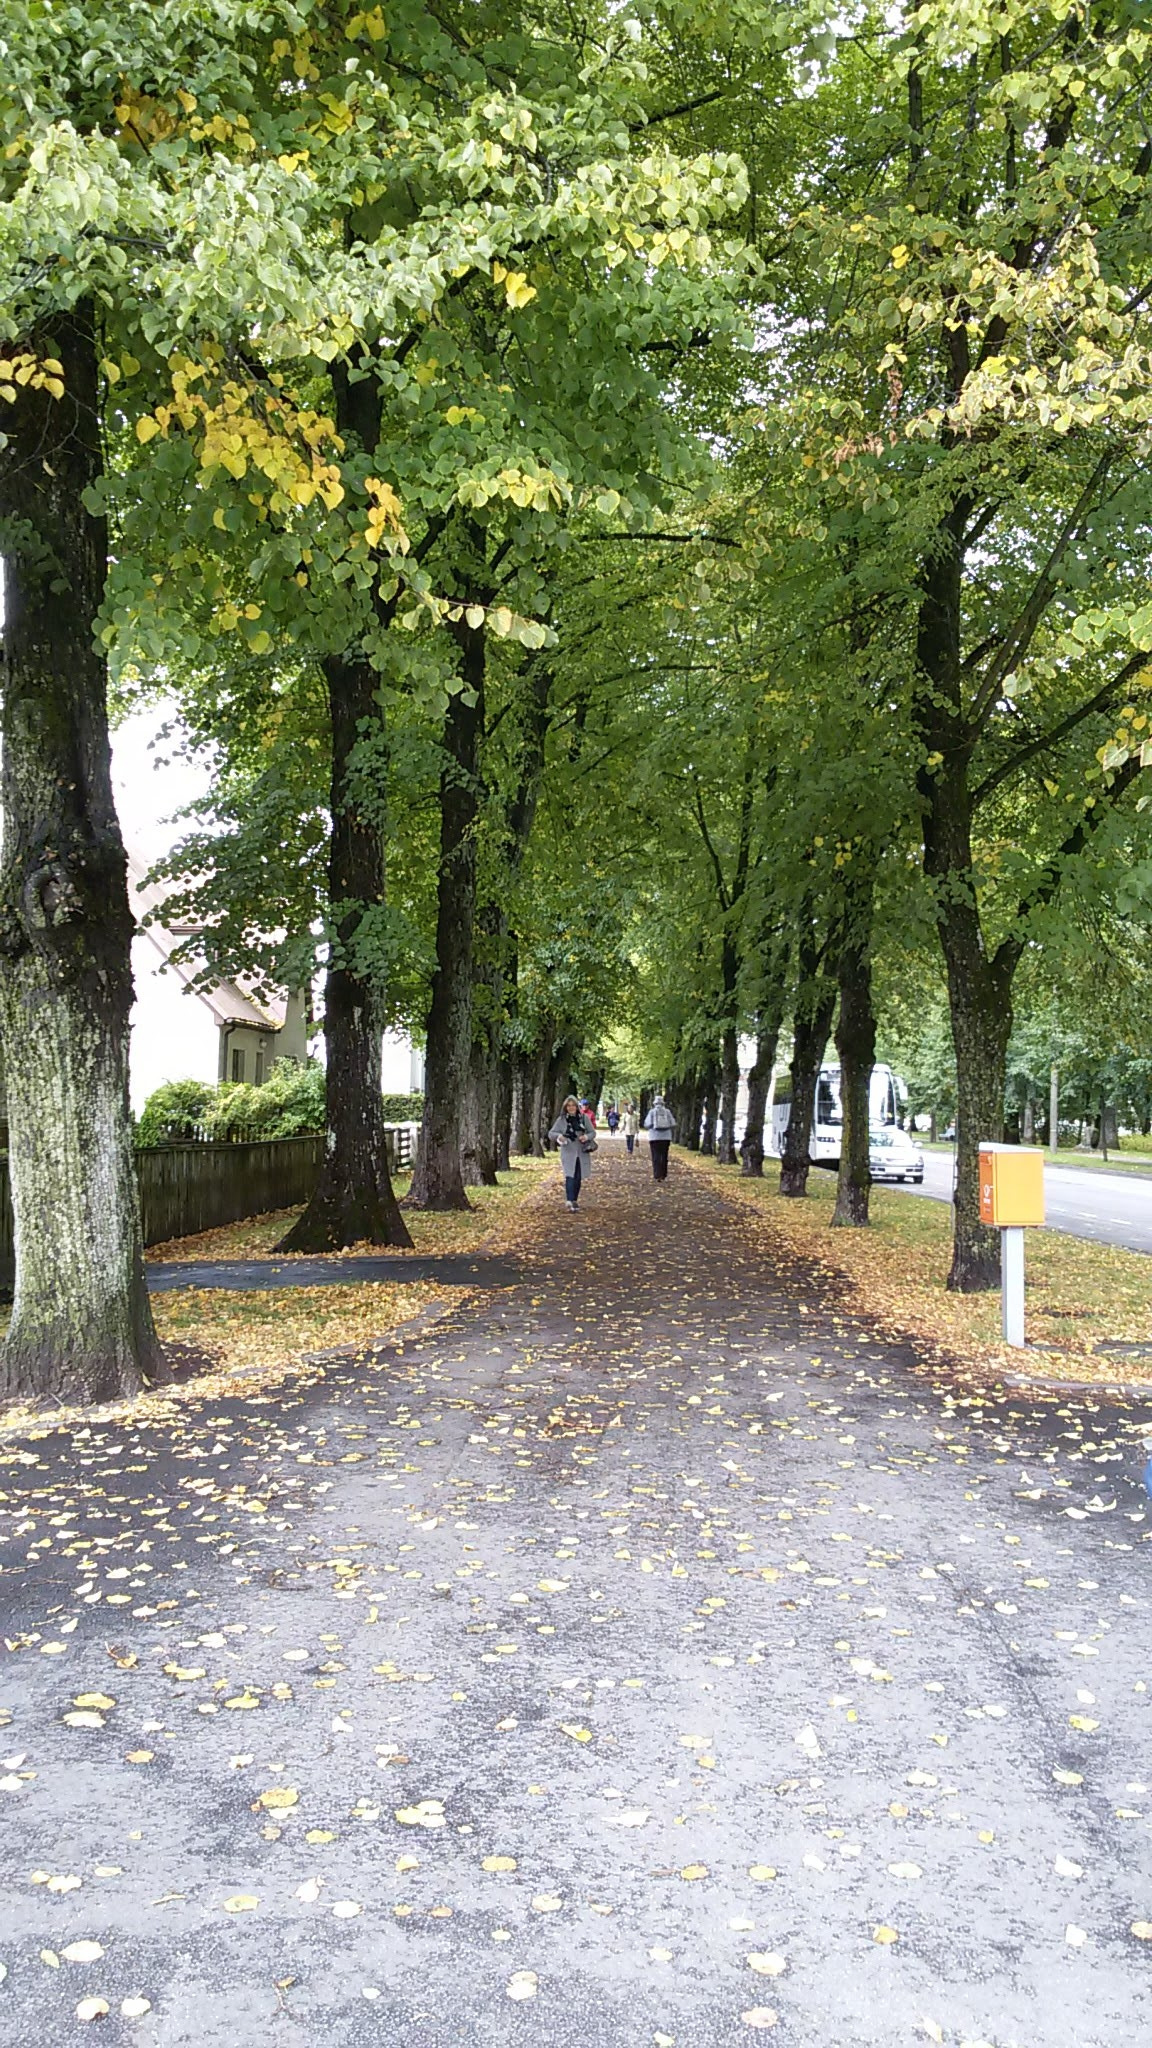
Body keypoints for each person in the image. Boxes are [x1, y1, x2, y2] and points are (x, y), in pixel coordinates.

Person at [548, 1095, 596, 1211]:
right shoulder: (561, 1120)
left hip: (581, 1152)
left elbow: (592, 1132)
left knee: (578, 1177)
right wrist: (559, 1136)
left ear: (577, 1106)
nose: (571, 1108)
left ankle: (574, 1200)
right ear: (565, 1107)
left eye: (573, 1105)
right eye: (568, 1106)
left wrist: (586, 1137)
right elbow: (551, 1133)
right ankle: (569, 1200)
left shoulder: (583, 1118)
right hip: (568, 1152)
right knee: (570, 1175)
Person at [643, 1093, 676, 1181]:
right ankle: (664, 1174)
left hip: (654, 1137)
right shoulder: (667, 1112)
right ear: (663, 1103)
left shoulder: (652, 1112)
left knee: (656, 1156)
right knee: (664, 1155)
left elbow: (647, 1124)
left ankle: (657, 1174)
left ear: (654, 1103)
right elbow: (673, 1123)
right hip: (666, 1137)